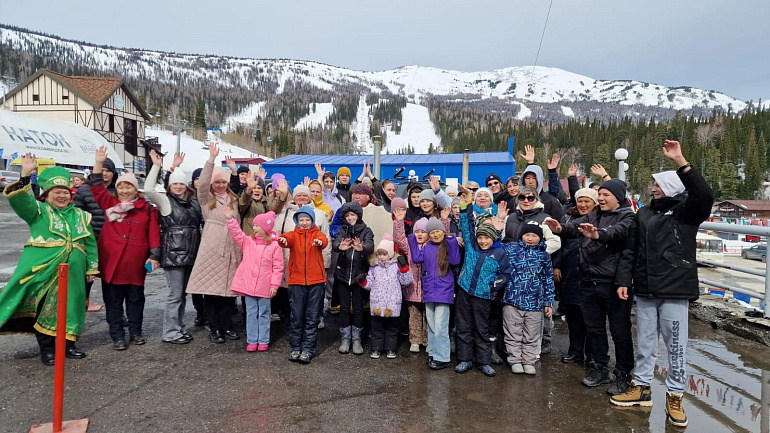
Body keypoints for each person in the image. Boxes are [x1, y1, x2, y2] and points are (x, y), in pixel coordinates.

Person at [610, 140, 713, 428]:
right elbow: (631, 249)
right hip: (644, 288)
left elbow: (704, 196)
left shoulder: (686, 211)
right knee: (644, 343)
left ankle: (675, 396)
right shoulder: (644, 213)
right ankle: (641, 388)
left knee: (675, 346)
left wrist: (681, 161)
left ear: (671, 186)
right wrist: (624, 280)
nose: (652, 189)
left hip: (674, 289)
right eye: (652, 185)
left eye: (657, 184)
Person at [0, 155, 98, 365]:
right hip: (44, 272)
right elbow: (22, 201)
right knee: (44, 309)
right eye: (56, 193)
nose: (62, 196)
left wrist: (91, 270)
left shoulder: (81, 215)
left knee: (73, 308)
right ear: (46, 195)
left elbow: (90, 244)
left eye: (65, 192)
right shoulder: (38, 211)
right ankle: (48, 351)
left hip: (74, 274)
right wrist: (25, 176)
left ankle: (68, 345)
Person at [544, 178, 636, 395]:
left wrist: (597, 235)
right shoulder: (596, 214)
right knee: (594, 329)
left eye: (606, 196)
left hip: (614, 284)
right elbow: (576, 226)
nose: (601, 199)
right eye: (600, 195)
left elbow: (616, 233)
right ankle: (600, 368)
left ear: (618, 197)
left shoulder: (628, 217)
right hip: (588, 280)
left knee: (619, 331)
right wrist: (560, 228)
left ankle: (623, 374)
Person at [90, 146, 161, 350]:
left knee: (136, 300)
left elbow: (154, 234)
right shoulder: (109, 203)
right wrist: (98, 163)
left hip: (136, 264)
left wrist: (154, 255)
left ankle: (136, 332)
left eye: (128, 187)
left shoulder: (146, 209)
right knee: (112, 303)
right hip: (111, 263)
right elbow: (95, 186)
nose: (124, 191)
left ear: (135, 189)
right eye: (121, 187)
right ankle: (117, 336)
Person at [186, 144, 243, 344]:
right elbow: (201, 185)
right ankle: (214, 328)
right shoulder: (206, 199)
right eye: (216, 182)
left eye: (223, 182)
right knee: (212, 292)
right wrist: (211, 160)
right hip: (213, 246)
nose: (220, 185)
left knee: (229, 293)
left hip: (232, 248)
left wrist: (234, 172)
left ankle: (226, 327)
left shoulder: (233, 199)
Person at [145, 151, 203, 345]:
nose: (179, 186)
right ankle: (170, 332)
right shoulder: (165, 201)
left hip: (190, 254)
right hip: (173, 256)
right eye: (175, 183)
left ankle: (178, 328)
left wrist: (175, 167)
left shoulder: (192, 201)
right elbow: (148, 189)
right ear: (170, 186)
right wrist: (156, 166)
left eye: (181, 183)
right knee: (175, 295)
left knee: (182, 295)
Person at [455, 203, 511, 377]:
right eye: (480, 237)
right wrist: (465, 205)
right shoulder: (472, 247)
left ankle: (483, 361)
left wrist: (492, 285)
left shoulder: (499, 253)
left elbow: (506, 274)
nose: (483, 241)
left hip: (483, 297)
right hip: (464, 292)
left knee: (482, 329)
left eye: (487, 238)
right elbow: (466, 225)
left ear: (493, 238)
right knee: (464, 326)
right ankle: (465, 359)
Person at [224, 207, 283, 352]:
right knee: (251, 313)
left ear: (265, 228)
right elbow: (236, 234)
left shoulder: (275, 246)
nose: (254, 227)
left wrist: (274, 285)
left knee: (263, 313)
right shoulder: (248, 242)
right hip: (249, 285)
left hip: (265, 286)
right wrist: (230, 219)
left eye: (257, 225)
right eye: (254, 225)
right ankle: (252, 340)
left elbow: (278, 267)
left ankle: (263, 340)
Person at [501, 224, 555, 375]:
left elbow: (548, 279)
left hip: (535, 302)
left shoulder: (544, 255)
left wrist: (548, 301)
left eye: (535, 236)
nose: (530, 239)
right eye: (527, 235)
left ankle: (528, 360)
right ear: (521, 236)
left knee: (531, 334)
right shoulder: (511, 249)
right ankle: (515, 360)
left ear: (540, 238)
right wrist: (499, 229)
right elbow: (494, 244)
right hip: (512, 299)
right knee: (513, 333)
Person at [278, 205, 328, 364]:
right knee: (296, 316)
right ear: (297, 221)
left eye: (307, 219)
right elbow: (286, 239)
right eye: (302, 220)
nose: (305, 222)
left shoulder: (317, 234)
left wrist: (319, 242)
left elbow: (324, 240)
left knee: (312, 317)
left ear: (312, 221)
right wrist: (283, 239)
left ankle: (307, 349)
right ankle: (295, 348)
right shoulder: (293, 234)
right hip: (297, 281)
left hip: (316, 282)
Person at [409, 217, 461, 370]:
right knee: (432, 324)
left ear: (443, 232)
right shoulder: (427, 247)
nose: (435, 235)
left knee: (440, 326)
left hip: (444, 290)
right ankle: (433, 352)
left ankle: (443, 357)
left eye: (438, 231)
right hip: (429, 290)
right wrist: (412, 239)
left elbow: (455, 260)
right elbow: (417, 258)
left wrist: (452, 241)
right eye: (431, 232)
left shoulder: (447, 245)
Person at [557, 188, 598, 366]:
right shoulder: (569, 219)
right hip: (571, 272)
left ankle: (592, 355)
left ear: (594, 204)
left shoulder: (600, 221)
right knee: (573, 315)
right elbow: (561, 243)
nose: (582, 205)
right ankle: (575, 351)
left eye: (586, 201)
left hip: (592, 275)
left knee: (591, 318)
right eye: (580, 201)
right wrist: (557, 265)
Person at [360, 235, 413, 359]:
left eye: (384, 254)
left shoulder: (396, 267)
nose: (381, 257)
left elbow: (406, 281)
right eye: (379, 254)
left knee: (392, 329)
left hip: (392, 304)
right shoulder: (374, 268)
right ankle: (376, 349)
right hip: (377, 303)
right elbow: (369, 284)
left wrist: (404, 269)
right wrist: (363, 281)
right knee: (376, 329)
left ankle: (390, 349)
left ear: (390, 254)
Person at [333, 202, 374, 355]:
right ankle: (345, 338)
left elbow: (370, 245)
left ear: (358, 215)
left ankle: (357, 339)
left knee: (357, 309)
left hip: (359, 274)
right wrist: (339, 247)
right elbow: (337, 243)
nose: (350, 218)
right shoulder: (342, 230)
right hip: (343, 274)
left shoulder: (366, 230)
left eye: (353, 215)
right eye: (347, 215)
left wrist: (362, 248)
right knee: (344, 308)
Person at [393, 200, 429, 352]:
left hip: (428, 289)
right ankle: (415, 340)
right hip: (413, 288)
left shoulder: (433, 245)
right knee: (414, 315)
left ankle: (428, 341)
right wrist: (399, 222)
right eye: (417, 231)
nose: (420, 234)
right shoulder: (410, 244)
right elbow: (399, 239)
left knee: (429, 317)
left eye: (423, 231)